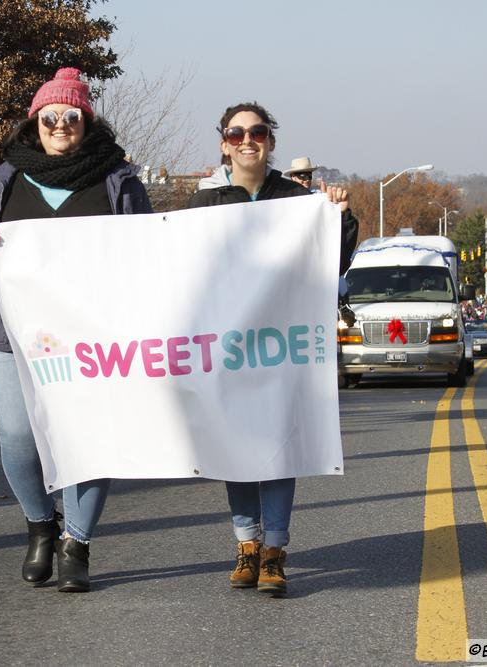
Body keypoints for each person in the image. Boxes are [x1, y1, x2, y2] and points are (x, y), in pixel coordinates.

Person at [0, 67, 153, 593]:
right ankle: (41, 526)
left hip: (94, 336)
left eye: (71, 116)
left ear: (87, 123)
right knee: (18, 438)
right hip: (13, 333)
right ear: (34, 123)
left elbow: (149, 251)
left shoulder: (118, 179)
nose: (60, 124)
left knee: (88, 440)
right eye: (50, 117)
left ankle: (77, 542)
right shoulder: (4, 179)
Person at [187, 102, 358, 597]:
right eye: (237, 133)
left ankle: (275, 552)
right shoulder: (204, 205)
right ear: (224, 143)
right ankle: (247, 544)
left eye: (257, 131)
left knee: (279, 449)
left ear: (270, 141)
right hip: (227, 347)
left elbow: (335, 260)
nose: (247, 140)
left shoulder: (297, 199)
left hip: (284, 346)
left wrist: (341, 217)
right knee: (236, 447)